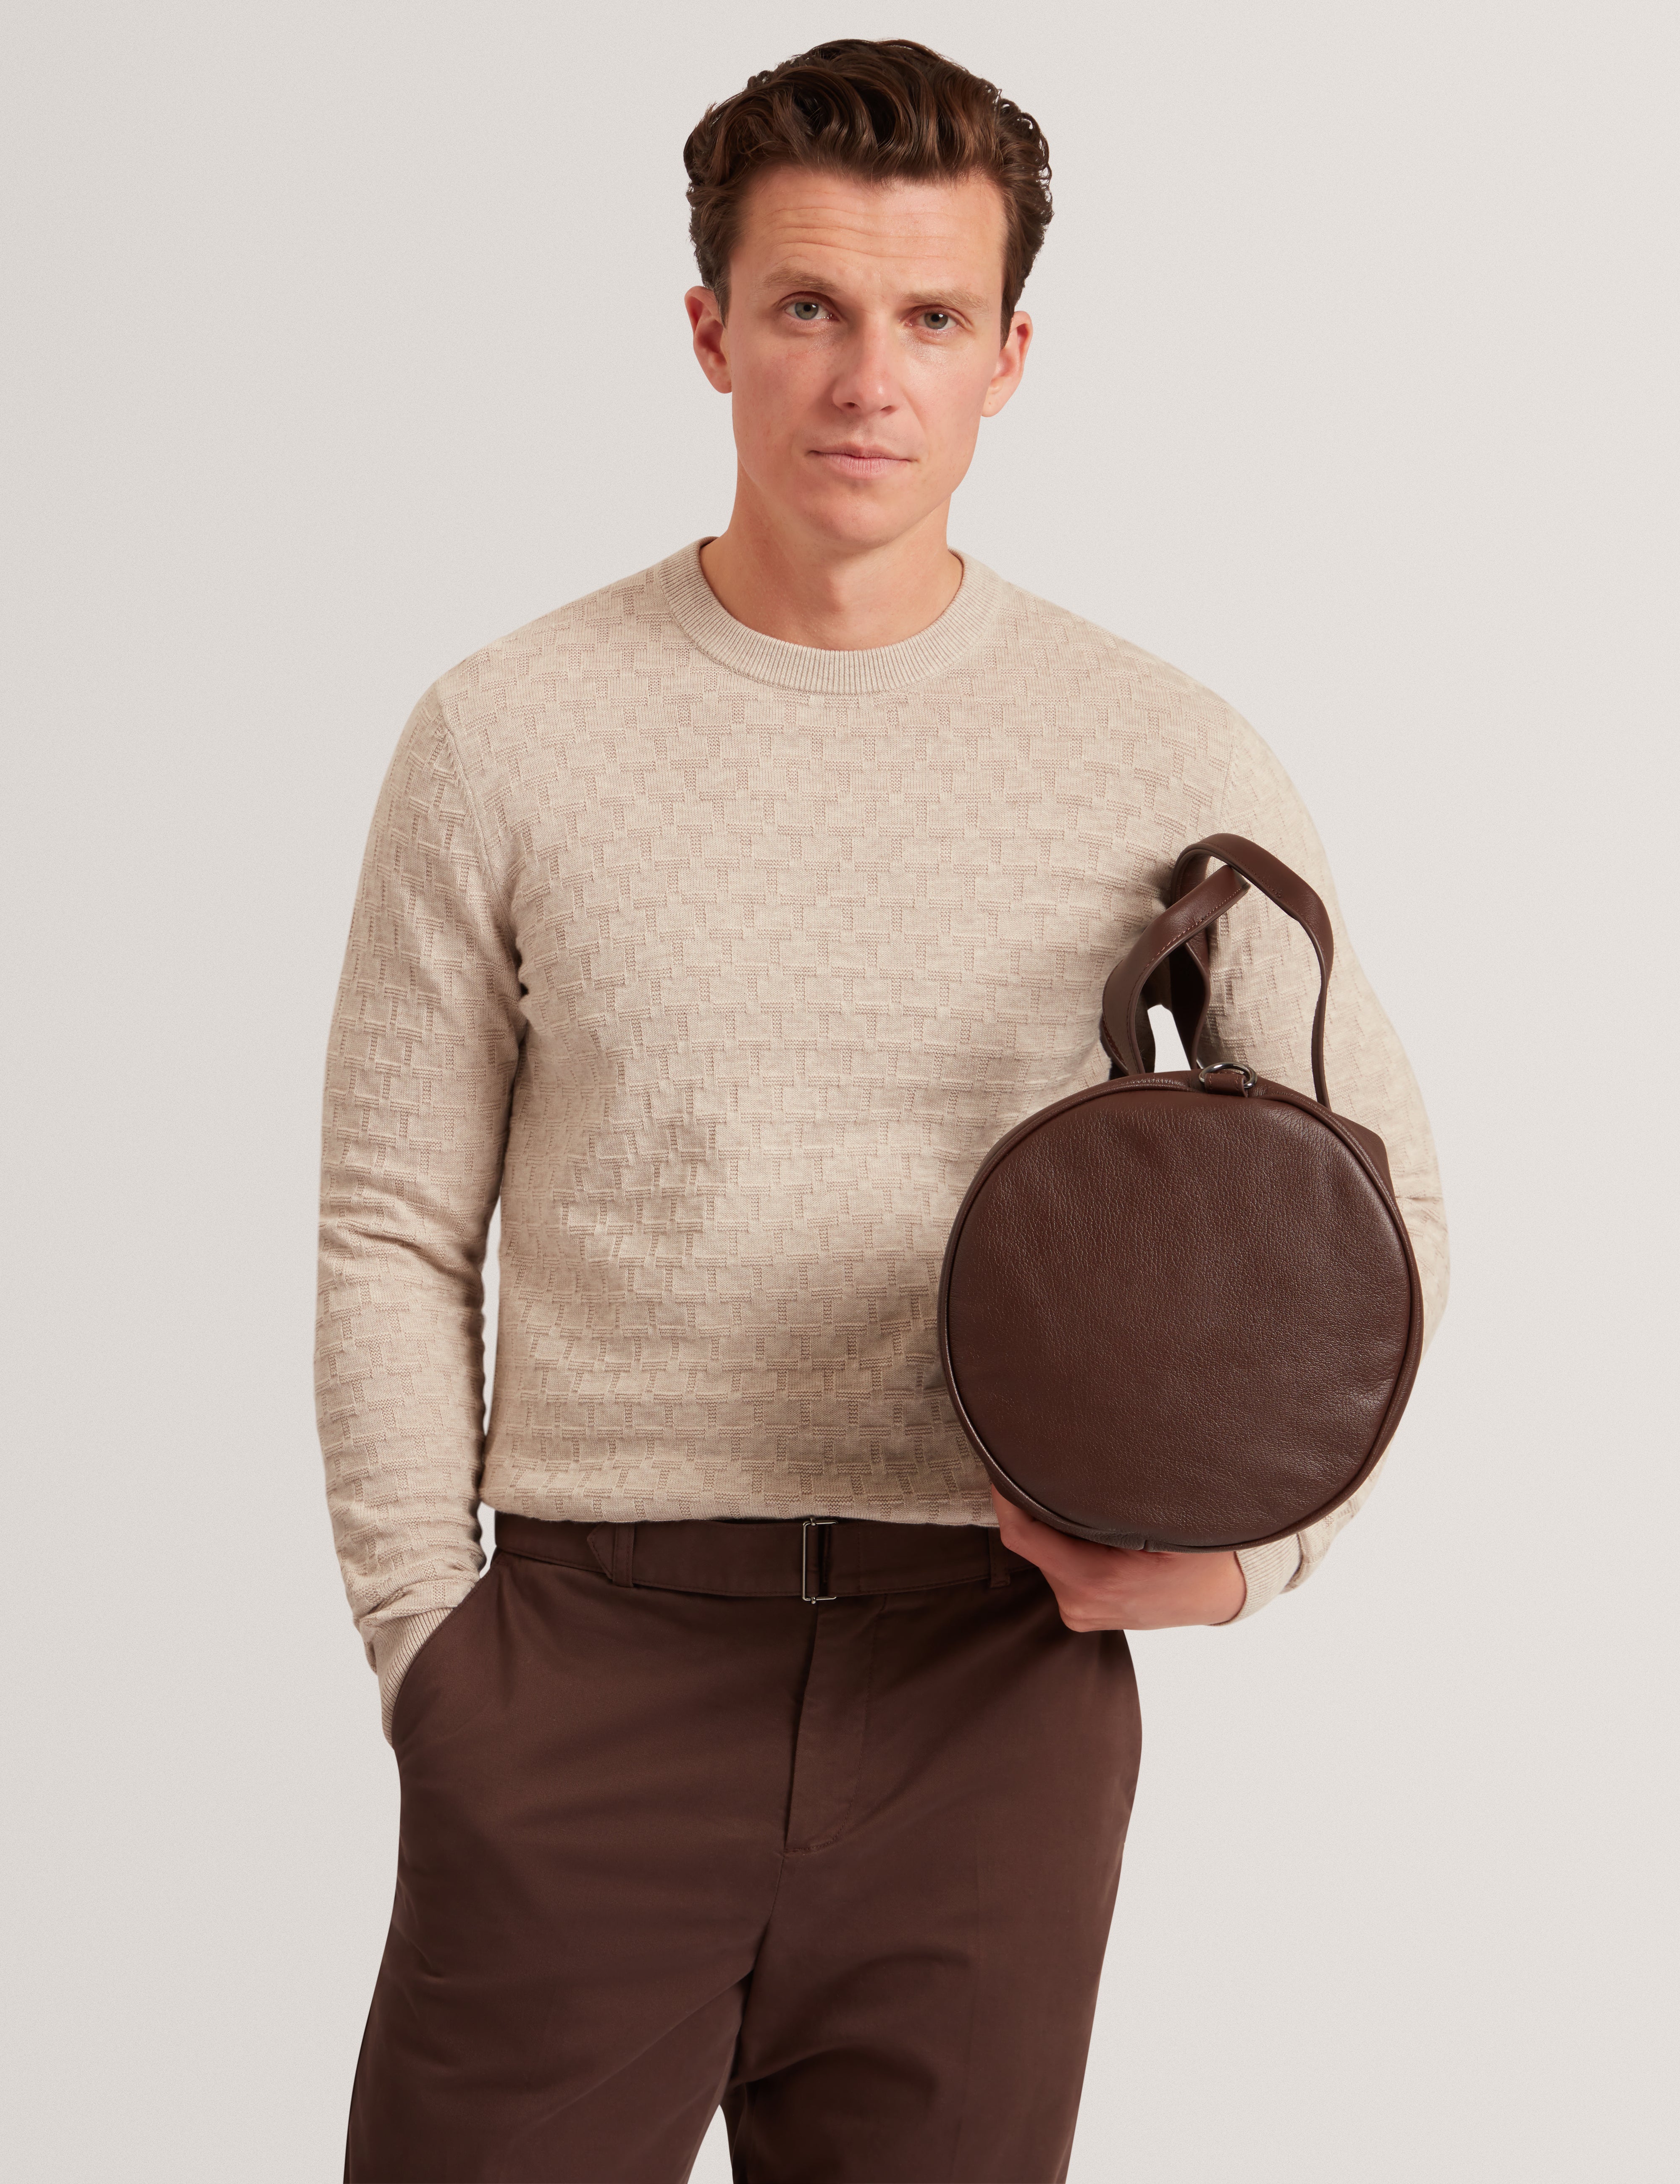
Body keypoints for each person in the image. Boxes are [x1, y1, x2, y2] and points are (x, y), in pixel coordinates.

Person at [315, 37, 1448, 2183]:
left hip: (988, 1695)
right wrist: (429, 1655)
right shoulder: (504, 733)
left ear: (1009, 357)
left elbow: (1379, 1217)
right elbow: (391, 1218)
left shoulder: (1157, 751)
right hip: (582, 1667)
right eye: (810, 308)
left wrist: (1245, 1564)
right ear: (708, 330)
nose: (866, 379)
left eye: (930, 317)